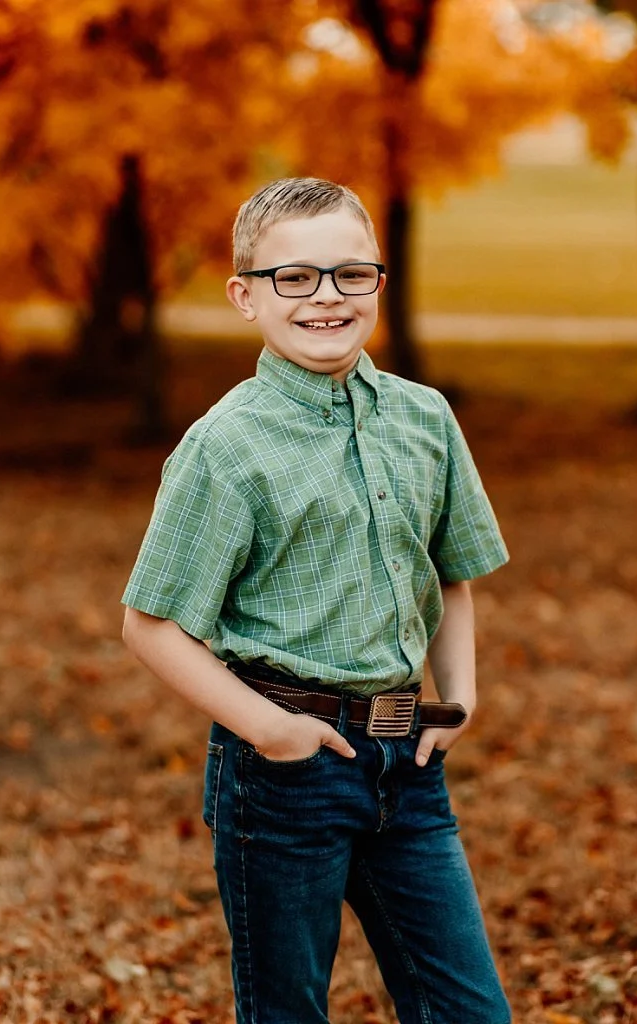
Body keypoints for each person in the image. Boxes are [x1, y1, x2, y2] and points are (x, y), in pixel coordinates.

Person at [120, 177, 512, 1021]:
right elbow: (149, 625)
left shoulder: (425, 417)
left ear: (378, 281)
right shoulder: (225, 448)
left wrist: (460, 697)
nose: (326, 297)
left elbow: (451, 568)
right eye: (294, 278)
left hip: (407, 760)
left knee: (470, 1010)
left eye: (349, 274)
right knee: (288, 1009)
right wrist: (271, 730)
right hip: (281, 770)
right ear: (245, 297)